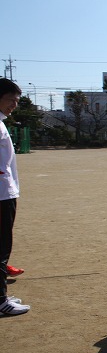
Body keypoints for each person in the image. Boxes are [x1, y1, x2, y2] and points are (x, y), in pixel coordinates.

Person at [0, 78, 30, 316]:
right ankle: (1, 300)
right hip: (1, 195)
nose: (14, 105)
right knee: (1, 248)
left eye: (17, 101)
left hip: (5, 192)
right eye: (11, 100)